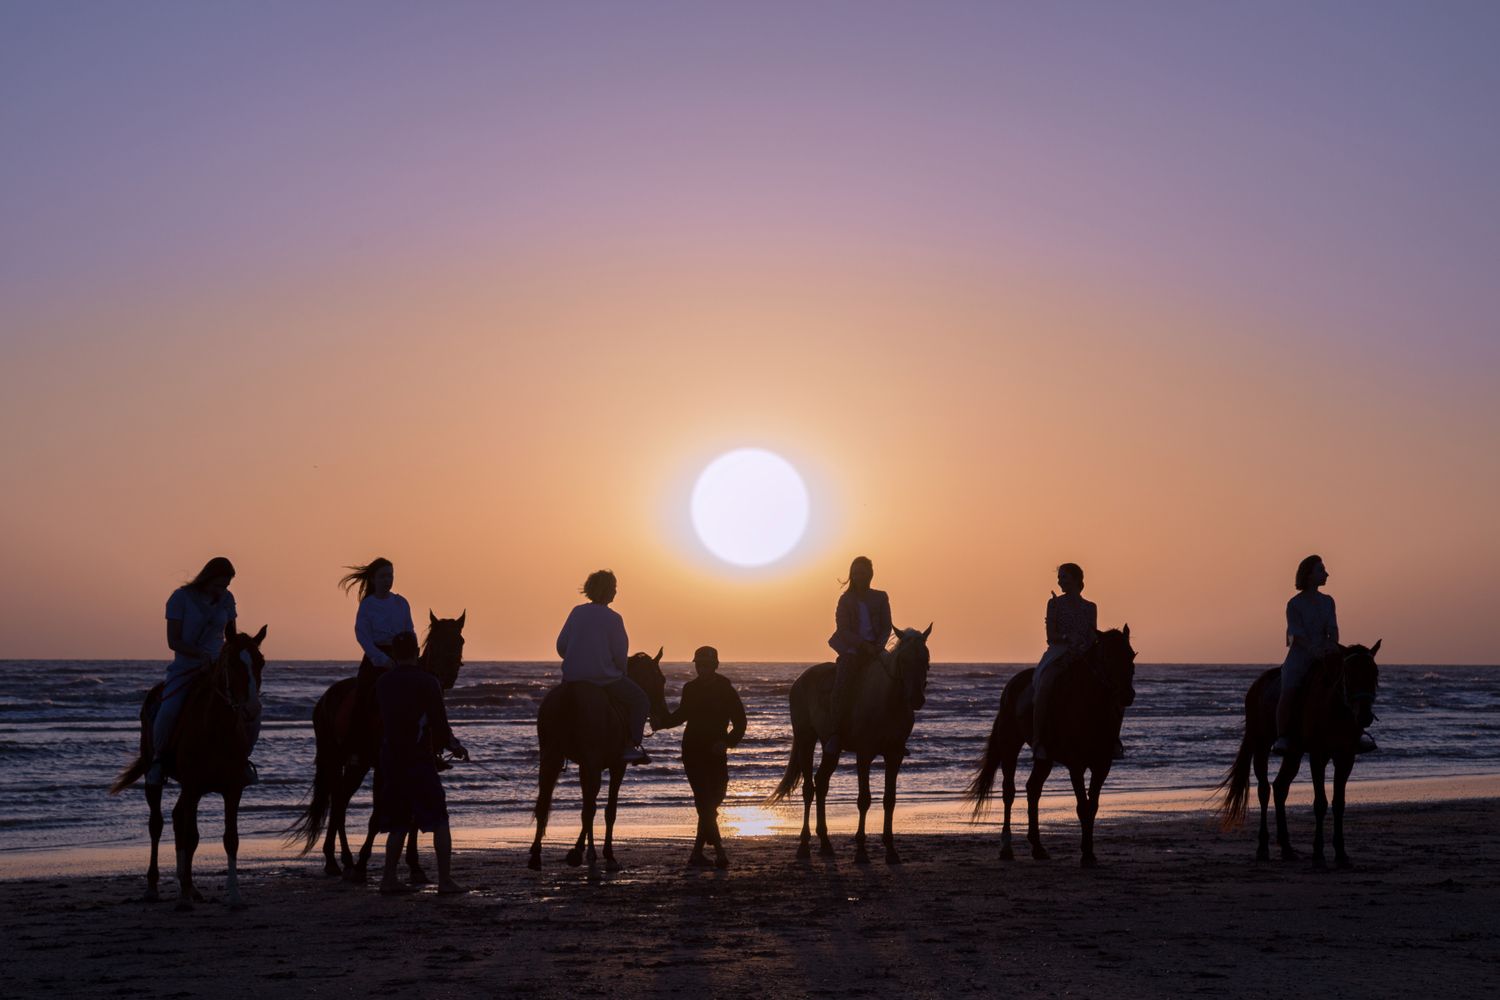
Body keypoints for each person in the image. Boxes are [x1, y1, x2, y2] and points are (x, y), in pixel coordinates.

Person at [148, 556, 259, 786]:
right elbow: (174, 640)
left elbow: (231, 636)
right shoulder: (181, 598)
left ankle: (242, 760)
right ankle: (158, 761)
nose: (222, 590)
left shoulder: (227, 600)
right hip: (186, 666)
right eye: (218, 585)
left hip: (218, 667)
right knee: (169, 709)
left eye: (226, 586)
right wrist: (200, 655)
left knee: (251, 709)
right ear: (207, 579)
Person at [375, 630, 467, 895]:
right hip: (418, 758)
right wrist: (455, 746)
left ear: (394, 653)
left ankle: (388, 879)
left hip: (391, 758)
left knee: (399, 822)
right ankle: (445, 881)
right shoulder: (428, 682)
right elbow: (439, 722)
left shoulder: (383, 683)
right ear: (416, 652)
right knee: (440, 819)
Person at [1273, 555, 1375, 755]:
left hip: (1327, 651)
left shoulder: (1328, 601)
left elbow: (1333, 627)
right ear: (1309, 575)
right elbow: (1296, 634)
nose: (1326, 574)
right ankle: (1282, 736)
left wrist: (1330, 645)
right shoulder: (1294, 604)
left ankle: (1358, 732)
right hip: (1301, 655)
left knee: (1351, 683)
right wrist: (1314, 650)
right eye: (1321, 570)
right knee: (1289, 688)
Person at [660, 646, 747, 869]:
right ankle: (720, 853)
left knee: (713, 800)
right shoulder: (691, 688)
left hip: (716, 753)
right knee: (704, 802)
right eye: (699, 665)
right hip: (692, 751)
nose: (702, 669)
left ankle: (697, 854)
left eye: (706, 665)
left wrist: (726, 742)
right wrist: (661, 722)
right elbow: (681, 716)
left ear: (715, 665)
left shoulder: (725, 688)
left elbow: (740, 721)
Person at [556, 569, 651, 763]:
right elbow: (619, 654)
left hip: (571, 679)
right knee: (641, 700)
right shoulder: (614, 618)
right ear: (607, 591)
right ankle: (630, 746)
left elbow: (561, 646)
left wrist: (576, 659)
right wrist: (621, 672)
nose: (616, 592)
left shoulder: (577, 612)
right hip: (604, 679)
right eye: (614, 588)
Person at [1033, 563, 1106, 762]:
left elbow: (1092, 634)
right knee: (1045, 685)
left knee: (1108, 686)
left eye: (1064, 577)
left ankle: (1111, 739)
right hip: (1059, 653)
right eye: (1060, 577)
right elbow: (1051, 636)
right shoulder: (1054, 603)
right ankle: (1038, 739)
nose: (1060, 581)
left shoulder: (1090, 607)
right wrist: (1067, 638)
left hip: (1084, 655)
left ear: (1076, 579)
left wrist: (1088, 645)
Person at [342, 557, 414, 747]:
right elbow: (362, 636)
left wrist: (410, 656)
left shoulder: (401, 603)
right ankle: (355, 748)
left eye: (390, 576)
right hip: (376, 656)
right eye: (383, 576)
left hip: (403, 654)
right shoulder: (368, 605)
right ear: (373, 579)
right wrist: (382, 659)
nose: (387, 580)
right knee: (363, 695)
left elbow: (410, 630)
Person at [827, 556, 892, 739]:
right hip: (852, 650)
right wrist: (863, 646)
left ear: (870, 575)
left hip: (877, 649)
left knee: (897, 679)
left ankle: (895, 735)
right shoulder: (845, 600)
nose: (858, 577)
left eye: (862, 573)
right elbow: (843, 630)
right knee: (842, 684)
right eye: (855, 574)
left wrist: (878, 647)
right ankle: (836, 733)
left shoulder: (880, 597)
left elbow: (887, 626)